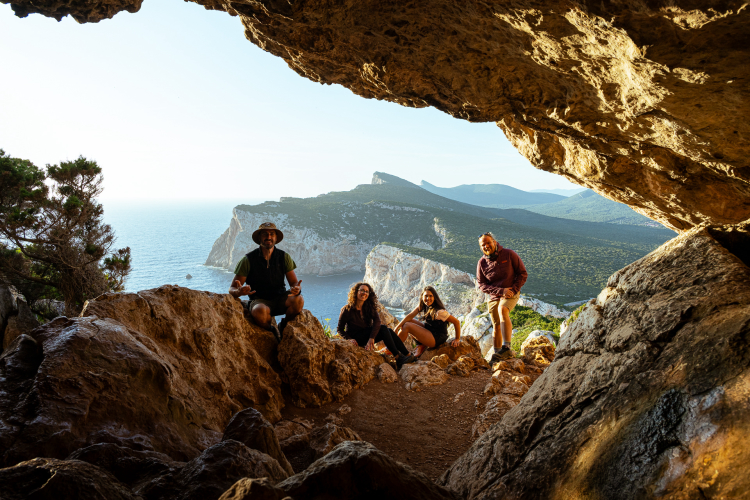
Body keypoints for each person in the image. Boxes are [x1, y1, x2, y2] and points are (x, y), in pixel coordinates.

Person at [229, 222, 303, 340]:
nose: (268, 237)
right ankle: (271, 331)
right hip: (259, 300)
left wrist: (296, 289)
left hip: (280, 298)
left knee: (299, 300)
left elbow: (294, 282)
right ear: (259, 238)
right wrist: (239, 291)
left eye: (272, 234)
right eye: (265, 234)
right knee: (260, 311)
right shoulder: (248, 260)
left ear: (276, 238)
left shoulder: (284, 257)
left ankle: (283, 326)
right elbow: (232, 289)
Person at [337, 282, 416, 370]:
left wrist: (372, 338)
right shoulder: (347, 309)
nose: (364, 293)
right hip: (356, 338)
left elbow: (377, 321)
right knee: (383, 328)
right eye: (362, 290)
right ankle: (398, 357)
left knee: (388, 330)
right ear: (356, 292)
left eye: (367, 291)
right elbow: (340, 329)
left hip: (367, 335)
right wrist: (349, 339)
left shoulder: (368, 307)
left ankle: (407, 355)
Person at [476, 232, 528, 364]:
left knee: (503, 309)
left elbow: (522, 273)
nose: (486, 246)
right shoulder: (482, 263)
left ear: (494, 241)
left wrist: (513, 289)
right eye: (483, 245)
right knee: (496, 325)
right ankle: (497, 354)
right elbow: (481, 285)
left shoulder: (509, 254)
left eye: (488, 242)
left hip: (511, 292)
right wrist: (500, 291)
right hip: (495, 295)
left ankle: (506, 347)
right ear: (481, 247)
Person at [395, 286, 461, 358]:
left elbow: (456, 322)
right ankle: (420, 344)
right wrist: (396, 327)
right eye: (426, 296)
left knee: (407, 325)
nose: (428, 298)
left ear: (434, 297)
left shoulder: (439, 312)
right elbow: (410, 316)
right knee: (408, 321)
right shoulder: (424, 305)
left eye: (430, 296)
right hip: (429, 330)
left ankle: (393, 348)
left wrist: (457, 338)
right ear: (422, 296)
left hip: (437, 338)